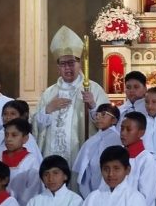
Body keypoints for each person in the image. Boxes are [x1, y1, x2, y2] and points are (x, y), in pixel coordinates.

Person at [34, 26, 109, 166]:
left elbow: (107, 122)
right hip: (52, 155)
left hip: (78, 152)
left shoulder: (93, 89)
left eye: (71, 63)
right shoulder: (49, 93)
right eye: (63, 64)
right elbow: (35, 126)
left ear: (80, 63)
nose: (67, 68)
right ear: (58, 67)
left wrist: (93, 106)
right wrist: (47, 109)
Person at [73, 103, 122, 198]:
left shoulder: (117, 139)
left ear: (114, 120)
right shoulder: (93, 139)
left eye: (103, 114)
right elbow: (83, 168)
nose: (98, 117)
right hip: (92, 183)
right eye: (97, 114)